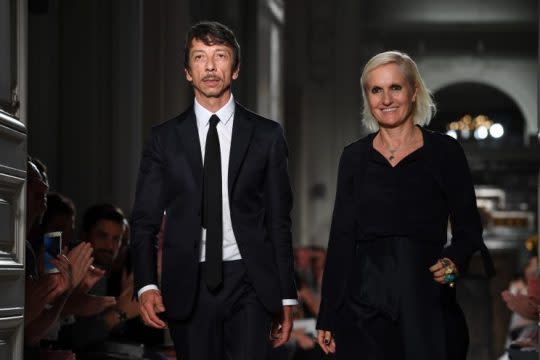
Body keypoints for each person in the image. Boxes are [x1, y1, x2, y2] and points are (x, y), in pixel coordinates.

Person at [130, 20, 297, 360]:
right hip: (187, 282)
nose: (209, 66)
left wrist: (287, 297)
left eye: (220, 55)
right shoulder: (164, 139)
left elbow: (279, 220)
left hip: (250, 279)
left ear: (235, 69)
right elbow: (145, 220)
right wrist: (146, 284)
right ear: (187, 71)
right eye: (199, 56)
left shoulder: (267, 136)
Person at [316, 51, 494, 359]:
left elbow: (469, 229)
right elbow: (342, 239)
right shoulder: (354, 157)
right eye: (376, 90)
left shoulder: (445, 152)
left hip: (426, 302)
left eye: (395, 88)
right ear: (367, 98)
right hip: (364, 309)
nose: (386, 99)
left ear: (413, 92)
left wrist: (453, 264)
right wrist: (328, 314)